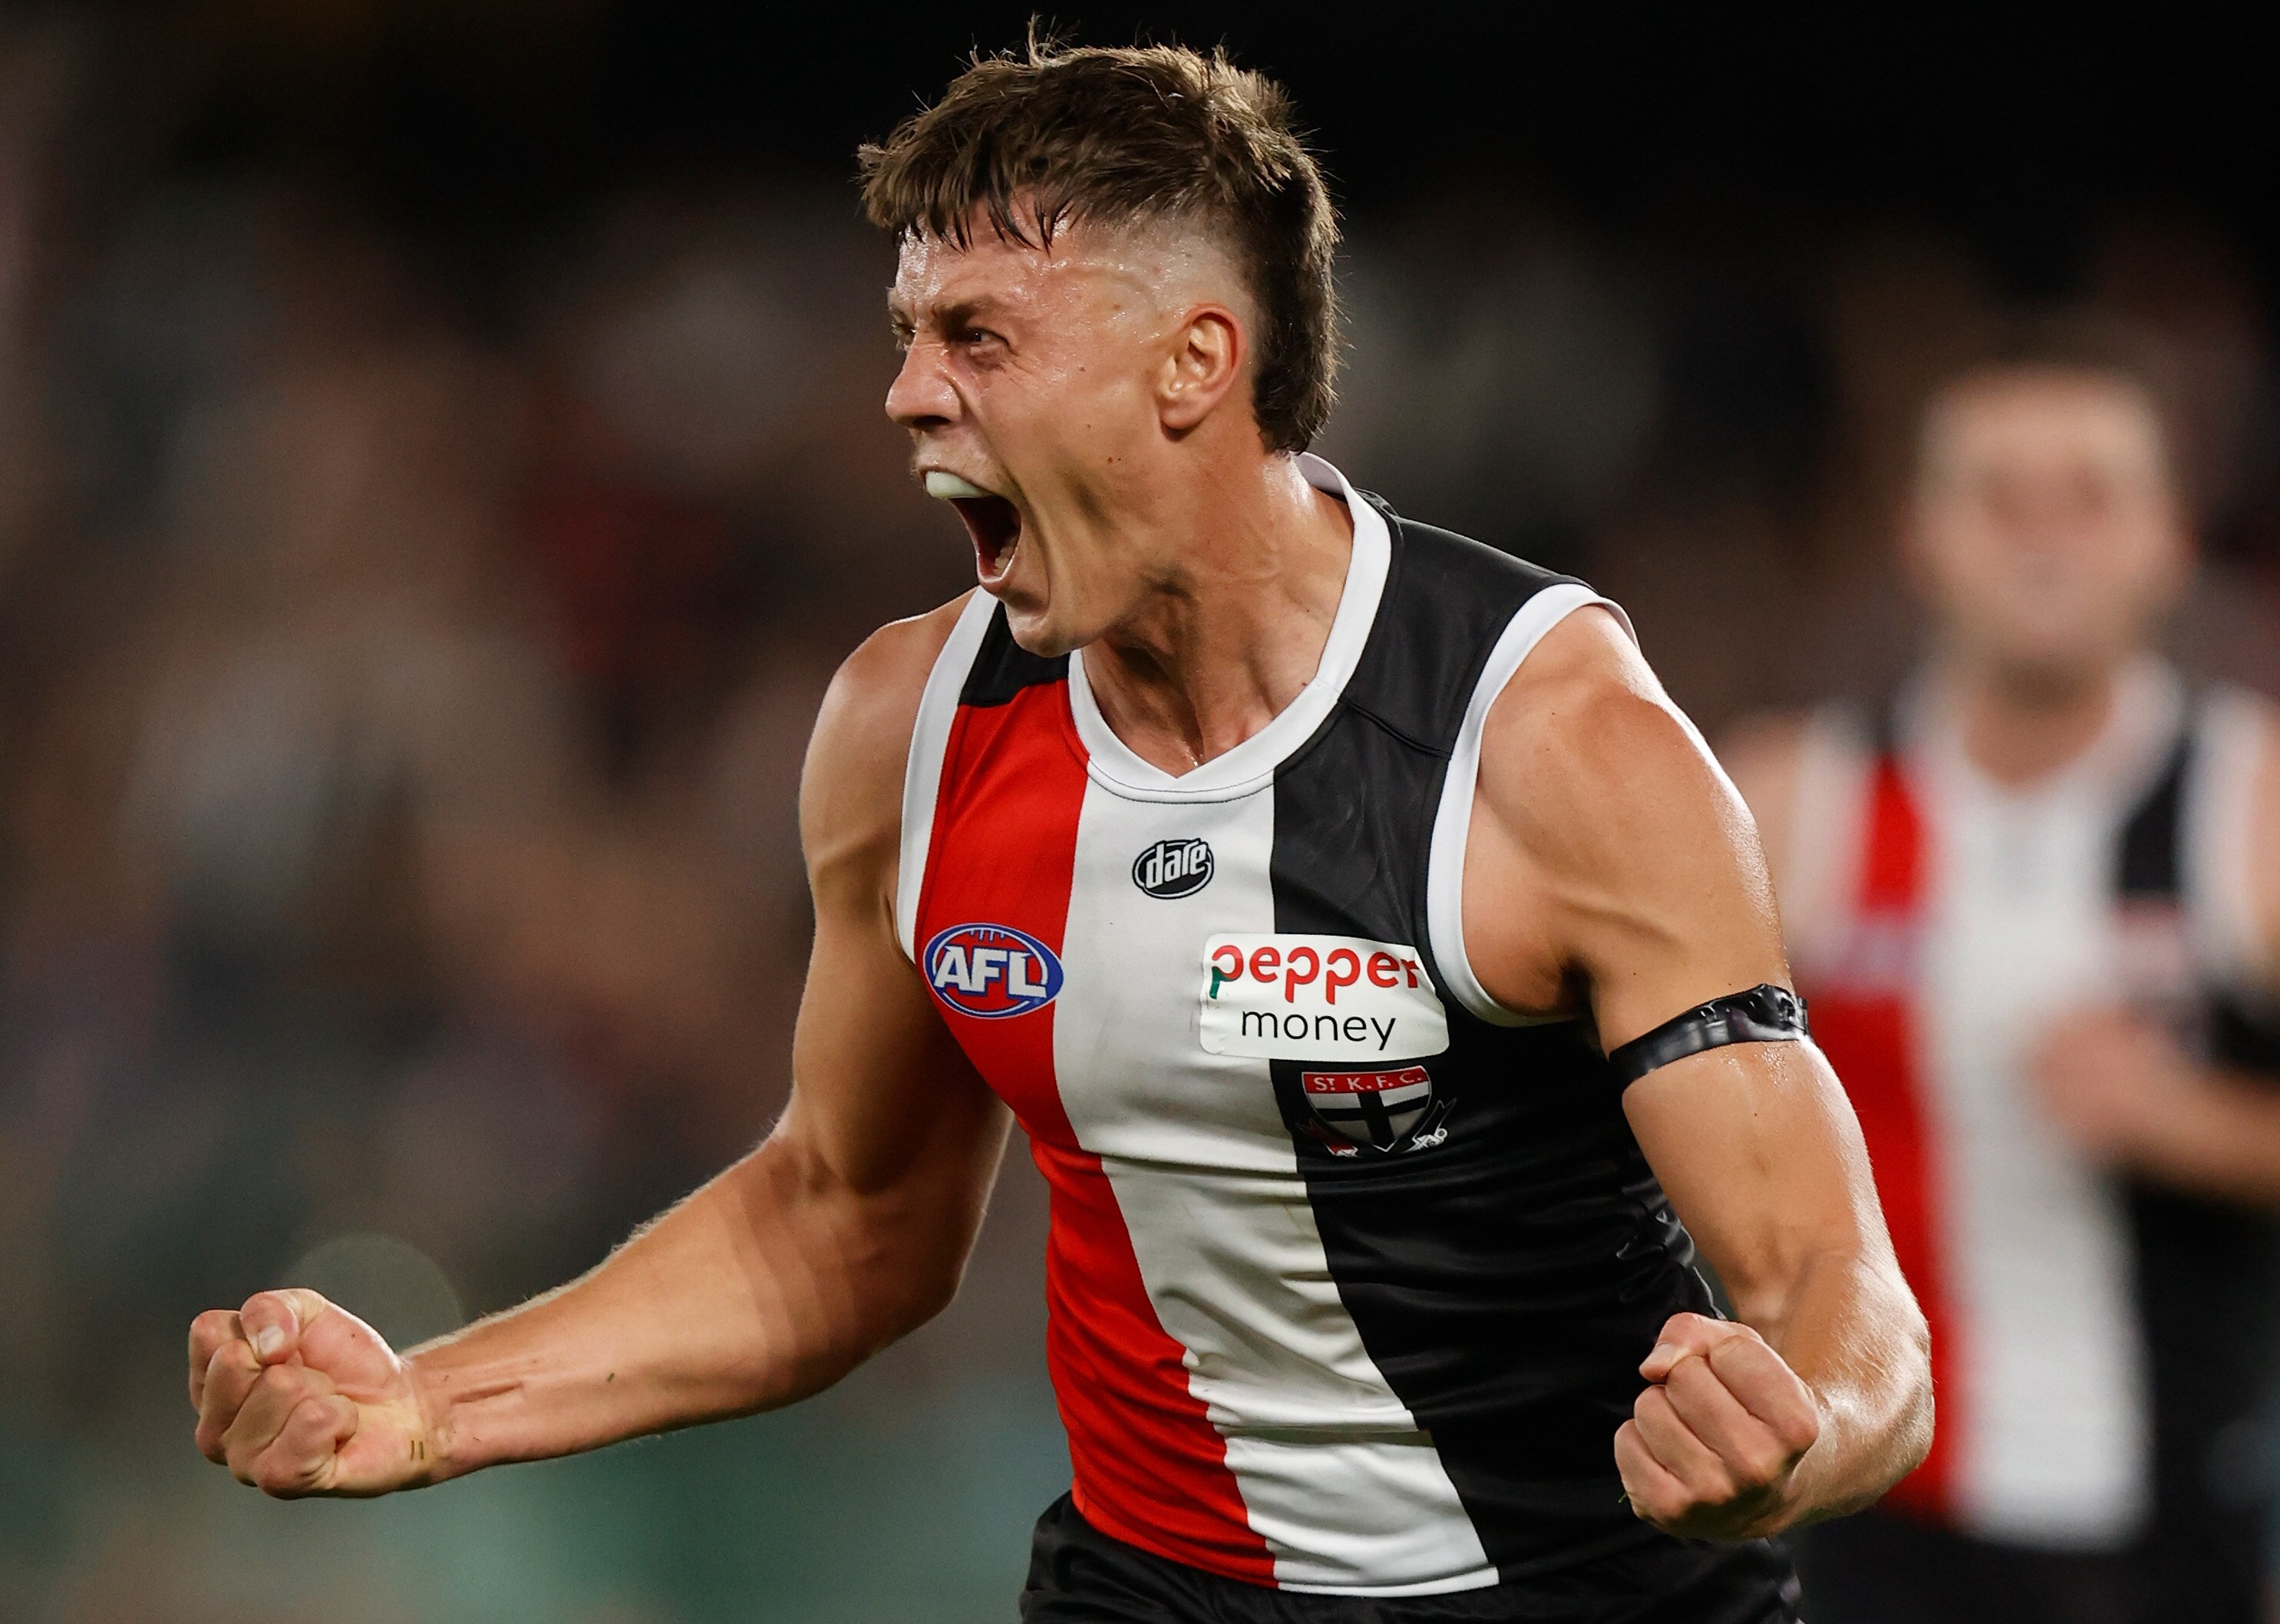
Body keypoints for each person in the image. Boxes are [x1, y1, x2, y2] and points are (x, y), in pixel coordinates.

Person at [186, 41, 1930, 1622]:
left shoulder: (1545, 744)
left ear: (1194, 364)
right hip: (1146, 1588)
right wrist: (427, 1404)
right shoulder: (910, 730)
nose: (905, 394)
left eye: (977, 337)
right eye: (907, 334)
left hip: (1575, 1592)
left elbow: (1835, 1292)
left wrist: (1793, 1432)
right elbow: (841, 1221)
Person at [1724, 316, 2280, 1624]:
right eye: (1998, 497)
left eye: (2089, 496)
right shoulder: (1791, 800)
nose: (2044, 539)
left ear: (2169, 540)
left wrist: (2193, 1123)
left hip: (2174, 1538)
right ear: (1919, 537)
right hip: (1864, 1527)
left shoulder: (2253, 806)